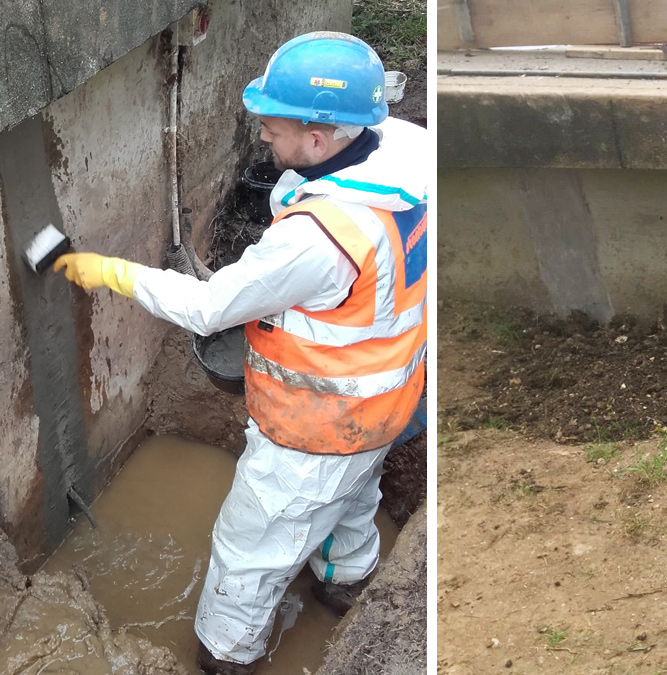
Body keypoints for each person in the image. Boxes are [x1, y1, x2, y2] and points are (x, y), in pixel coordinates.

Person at [53, 31, 427, 675]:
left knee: (250, 549)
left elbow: (207, 308)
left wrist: (109, 272)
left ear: (319, 138)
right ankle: (348, 584)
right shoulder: (408, 154)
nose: (262, 140)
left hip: (314, 433)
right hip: (386, 405)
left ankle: (227, 655)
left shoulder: (319, 239)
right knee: (353, 500)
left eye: (273, 129)